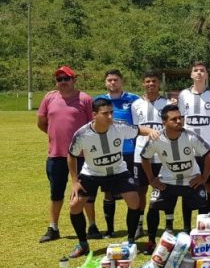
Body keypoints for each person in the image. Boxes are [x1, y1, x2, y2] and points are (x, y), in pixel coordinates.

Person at [67, 98, 160, 258]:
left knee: (134, 201)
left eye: (111, 112)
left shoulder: (119, 126)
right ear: (94, 115)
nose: (110, 117)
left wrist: (151, 132)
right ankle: (83, 244)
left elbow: (139, 129)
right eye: (105, 114)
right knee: (75, 205)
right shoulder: (82, 134)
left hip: (118, 172)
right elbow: (71, 155)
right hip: (92, 174)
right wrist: (75, 181)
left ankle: (130, 240)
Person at [140, 105, 210, 254]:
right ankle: (151, 241)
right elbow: (144, 157)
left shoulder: (190, 136)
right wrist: (151, 179)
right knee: (153, 206)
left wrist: (204, 177)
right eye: (174, 119)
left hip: (191, 180)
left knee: (203, 207)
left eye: (180, 118)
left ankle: (204, 241)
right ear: (164, 122)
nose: (179, 121)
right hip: (167, 181)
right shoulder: (157, 139)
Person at [37, 66, 93, 243]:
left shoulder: (84, 99)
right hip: (57, 155)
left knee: (85, 191)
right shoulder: (49, 98)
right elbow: (41, 123)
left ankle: (92, 226)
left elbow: (93, 125)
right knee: (56, 192)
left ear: (74, 80)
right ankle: (53, 228)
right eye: (59, 79)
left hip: (82, 155)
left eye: (66, 79)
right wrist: (56, 137)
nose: (62, 82)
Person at [178, 61, 210, 231]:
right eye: (195, 70)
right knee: (189, 186)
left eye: (202, 71)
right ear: (191, 75)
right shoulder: (183, 95)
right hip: (189, 151)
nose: (199, 73)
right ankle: (186, 227)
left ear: (206, 75)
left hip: (209, 150)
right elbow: (181, 120)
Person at [95, 69, 140, 238]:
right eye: (109, 80)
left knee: (132, 191)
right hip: (109, 152)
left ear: (121, 81)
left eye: (115, 80)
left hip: (130, 152)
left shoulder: (133, 99)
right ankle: (110, 229)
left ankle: (135, 227)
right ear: (105, 82)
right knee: (108, 192)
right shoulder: (99, 101)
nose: (112, 83)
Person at [131, 72, 172, 231]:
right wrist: (147, 133)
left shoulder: (168, 103)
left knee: (166, 189)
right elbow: (136, 129)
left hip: (162, 156)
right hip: (140, 155)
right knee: (140, 190)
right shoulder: (136, 105)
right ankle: (140, 225)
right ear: (143, 84)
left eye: (154, 81)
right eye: (147, 81)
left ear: (158, 84)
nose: (151, 84)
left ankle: (168, 224)